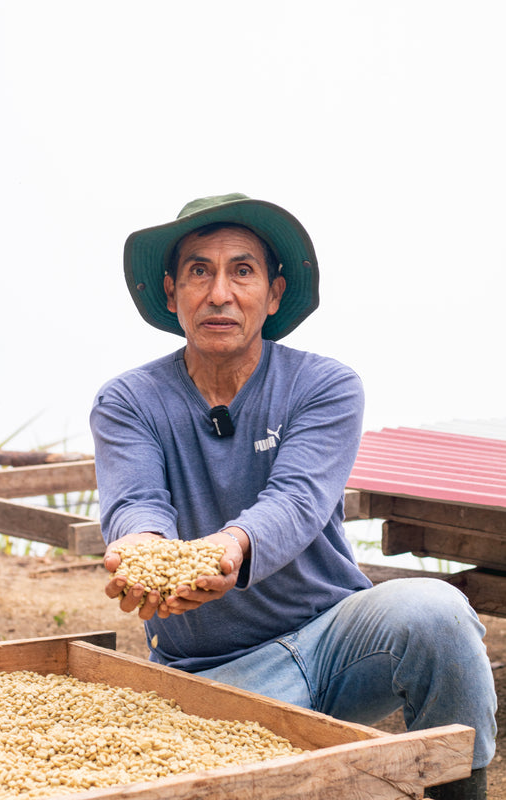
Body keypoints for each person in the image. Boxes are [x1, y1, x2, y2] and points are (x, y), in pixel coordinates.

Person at [90, 193, 496, 799]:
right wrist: (146, 550)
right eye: (200, 271)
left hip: (336, 638)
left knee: (437, 612)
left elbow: (298, 501)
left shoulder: (323, 385)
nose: (219, 292)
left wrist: (230, 549)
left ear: (274, 294)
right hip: (217, 675)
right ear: (173, 292)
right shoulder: (129, 401)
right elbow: (136, 502)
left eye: (242, 270)